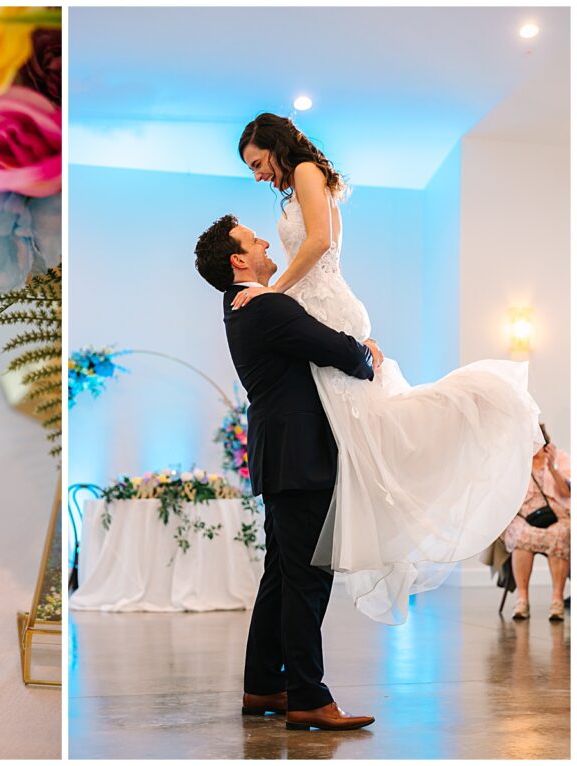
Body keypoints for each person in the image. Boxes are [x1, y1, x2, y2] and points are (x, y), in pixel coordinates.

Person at [229, 113, 542, 626]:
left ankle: (466, 414)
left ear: (277, 147)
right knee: (358, 433)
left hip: (324, 303)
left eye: (259, 163)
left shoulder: (306, 169)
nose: (258, 175)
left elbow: (320, 243)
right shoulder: (298, 184)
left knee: (368, 431)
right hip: (318, 305)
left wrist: (272, 290)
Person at [194, 214, 376, 731]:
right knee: (306, 579)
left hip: (282, 455)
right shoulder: (266, 305)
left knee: (281, 575)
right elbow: (334, 348)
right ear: (238, 260)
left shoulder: (240, 307)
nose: (265, 242)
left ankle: (264, 686)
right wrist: (368, 355)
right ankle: (308, 697)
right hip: (300, 458)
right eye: (254, 240)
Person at [502, 439, 570, 620]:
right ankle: (522, 600)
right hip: (524, 517)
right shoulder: (516, 463)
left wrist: (552, 467)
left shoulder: (560, 458)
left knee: (560, 535)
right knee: (522, 536)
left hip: (556, 515)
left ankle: (557, 600)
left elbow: (567, 493)